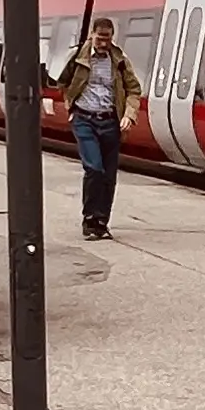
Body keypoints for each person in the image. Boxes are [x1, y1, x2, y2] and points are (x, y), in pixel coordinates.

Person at [59, 13, 138, 240]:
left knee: (108, 175)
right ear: (92, 34)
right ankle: (89, 219)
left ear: (112, 37)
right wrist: (70, 106)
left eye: (107, 39)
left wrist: (129, 115)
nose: (103, 43)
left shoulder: (119, 60)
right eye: (99, 38)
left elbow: (134, 89)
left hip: (110, 121)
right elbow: (61, 81)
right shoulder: (78, 57)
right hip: (85, 119)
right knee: (94, 168)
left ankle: (102, 221)